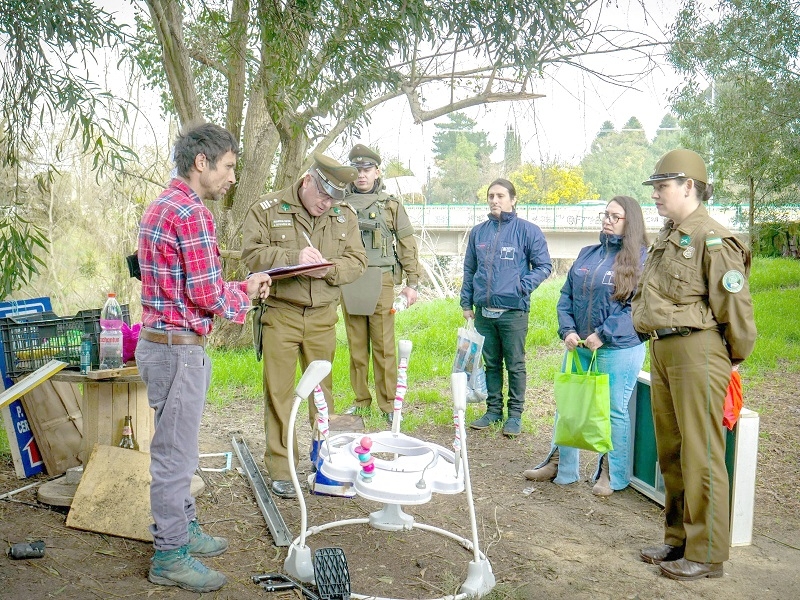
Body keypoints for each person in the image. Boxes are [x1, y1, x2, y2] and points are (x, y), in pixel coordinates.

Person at [136, 122, 272, 593]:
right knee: (174, 456)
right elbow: (206, 292)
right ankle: (170, 553)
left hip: (161, 344)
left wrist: (236, 289)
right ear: (202, 163)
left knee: (181, 447)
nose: (232, 176)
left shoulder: (161, 204)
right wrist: (247, 294)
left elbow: (181, 289)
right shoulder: (192, 213)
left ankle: (185, 530)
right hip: (177, 351)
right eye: (229, 166)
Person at [632, 149, 756, 580]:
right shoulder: (670, 235)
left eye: (662, 187)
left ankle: (706, 554)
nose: (656, 196)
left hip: (697, 351)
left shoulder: (714, 238)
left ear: (689, 186)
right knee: (673, 452)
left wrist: (730, 359)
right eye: (655, 189)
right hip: (664, 348)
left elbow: (736, 310)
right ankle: (678, 541)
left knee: (701, 455)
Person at [241, 153, 368, 499]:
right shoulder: (267, 208)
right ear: (308, 181)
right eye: (323, 195)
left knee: (321, 394)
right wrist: (293, 258)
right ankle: (282, 469)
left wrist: (326, 269)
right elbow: (250, 254)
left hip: (323, 317)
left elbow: (358, 261)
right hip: (280, 312)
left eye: (333, 200)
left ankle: (322, 460)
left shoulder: (343, 216)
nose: (326, 204)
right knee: (280, 393)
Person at [523, 196, 648, 496]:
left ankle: (611, 473)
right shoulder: (587, 253)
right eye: (605, 214)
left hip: (618, 348)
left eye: (615, 216)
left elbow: (635, 306)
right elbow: (566, 295)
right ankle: (561, 466)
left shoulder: (642, 258)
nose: (607, 220)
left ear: (629, 222)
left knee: (612, 410)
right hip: (579, 345)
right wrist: (567, 330)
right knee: (569, 405)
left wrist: (602, 334)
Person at [460, 178, 552, 437]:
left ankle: (515, 415)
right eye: (491, 196)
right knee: (490, 363)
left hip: (514, 311)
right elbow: (470, 269)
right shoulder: (479, 232)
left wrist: (520, 288)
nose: (495, 200)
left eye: (500, 195)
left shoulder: (528, 231)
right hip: (484, 312)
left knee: (515, 364)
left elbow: (544, 266)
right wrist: (466, 302)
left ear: (513, 200)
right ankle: (492, 410)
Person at [339, 144, 422, 423]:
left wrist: (413, 282)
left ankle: (388, 404)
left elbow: (407, 243)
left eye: (366, 170)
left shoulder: (390, 205)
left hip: (382, 280)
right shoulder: (339, 204)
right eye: (357, 170)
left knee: (384, 345)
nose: (361, 175)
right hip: (350, 280)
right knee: (356, 345)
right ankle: (361, 400)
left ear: (377, 172)